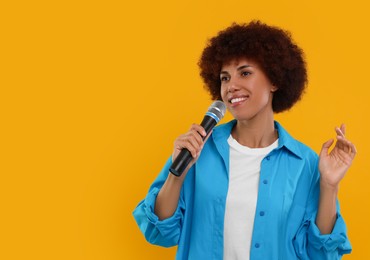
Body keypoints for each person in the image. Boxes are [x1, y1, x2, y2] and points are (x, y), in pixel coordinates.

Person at [133, 20, 357, 259]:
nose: (232, 86)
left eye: (245, 73)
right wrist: (176, 174)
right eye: (225, 78)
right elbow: (159, 232)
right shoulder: (199, 149)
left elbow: (320, 253)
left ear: (274, 81)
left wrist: (329, 186)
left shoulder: (305, 163)